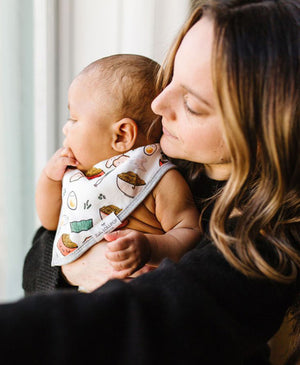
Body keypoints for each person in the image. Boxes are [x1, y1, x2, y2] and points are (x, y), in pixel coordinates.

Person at [1, 0, 297, 364]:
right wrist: (70, 270)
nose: (157, 103)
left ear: (262, 133)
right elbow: (44, 244)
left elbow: (143, 320)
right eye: (171, 77)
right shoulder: (162, 155)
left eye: (192, 104)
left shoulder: (269, 245)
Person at [35, 54, 201, 287]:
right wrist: (49, 178)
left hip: (136, 299)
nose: (65, 128)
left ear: (121, 135)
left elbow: (190, 231)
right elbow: (49, 222)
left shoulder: (159, 177)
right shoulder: (78, 173)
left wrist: (150, 247)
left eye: (74, 120)